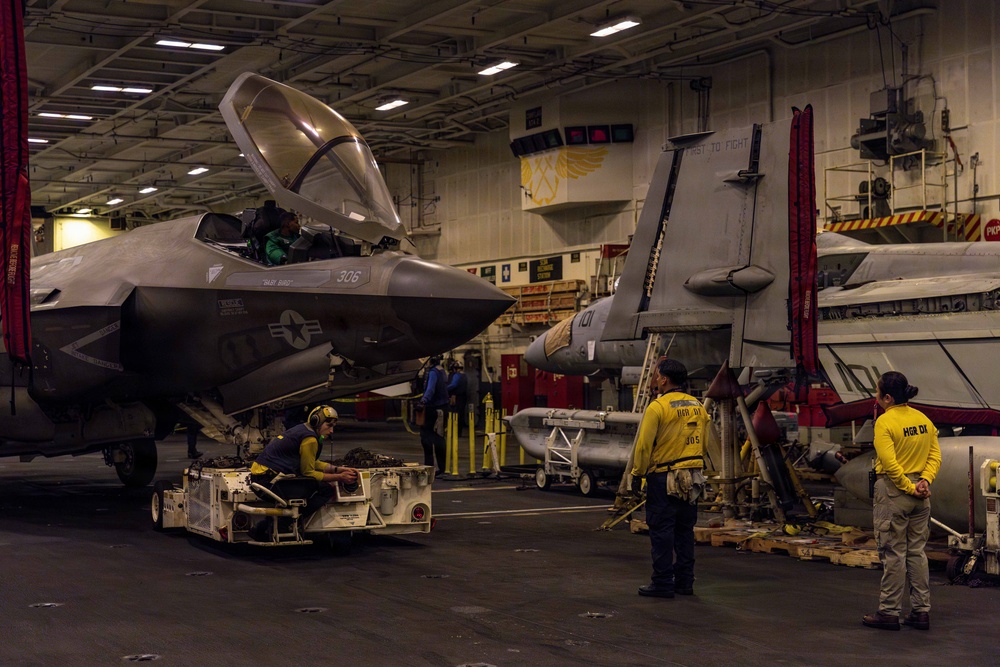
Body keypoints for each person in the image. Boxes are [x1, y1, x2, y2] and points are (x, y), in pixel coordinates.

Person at [862, 371, 941, 631]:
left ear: (887, 397)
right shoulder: (923, 420)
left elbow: (889, 464)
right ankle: (921, 613)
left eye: (877, 392)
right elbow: (935, 456)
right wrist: (925, 482)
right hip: (921, 493)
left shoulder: (885, 423)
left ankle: (888, 612)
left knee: (894, 553)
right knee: (917, 553)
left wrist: (908, 487)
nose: (875, 396)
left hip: (895, 493)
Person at [631, 358, 709, 599]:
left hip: (663, 477)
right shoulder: (698, 405)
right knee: (685, 531)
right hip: (692, 476)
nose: (654, 378)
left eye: (656, 375)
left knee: (662, 531)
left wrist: (637, 474)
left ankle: (662, 582)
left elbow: (644, 446)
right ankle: (685, 581)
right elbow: (704, 443)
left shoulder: (658, 407)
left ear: (664, 379)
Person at [248, 405, 359, 529]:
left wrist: (337, 469)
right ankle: (285, 522)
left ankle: (273, 523)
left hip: (260, 478)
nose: (332, 431)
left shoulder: (302, 430)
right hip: (268, 482)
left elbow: (310, 462)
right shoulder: (310, 439)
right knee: (325, 490)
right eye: (329, 426)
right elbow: (308, 472)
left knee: (306, 485)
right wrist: (339, 477)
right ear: (316, 422)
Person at [419, 356, 450, 475]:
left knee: (426, 438)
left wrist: (423, 401)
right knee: (439, 437)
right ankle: (442, 468)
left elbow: (430, 389)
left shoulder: (432, 372)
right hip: (442, 408)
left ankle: (429, 468)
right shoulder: (441, 370)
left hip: (434, 409)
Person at [447, 361, 469, 436]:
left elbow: (454, 385)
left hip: (457, 397)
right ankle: (459, 432)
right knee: (461, 414)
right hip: (463, 397)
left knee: (455, 414)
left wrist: (444, 389)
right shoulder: (464, 375)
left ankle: (454, 431)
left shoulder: (457, 375)